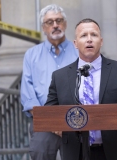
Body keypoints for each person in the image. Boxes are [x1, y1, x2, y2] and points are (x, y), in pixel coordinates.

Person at [44, 18, 117, 160]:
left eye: (94, 35)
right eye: (83, 35)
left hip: (113, 150)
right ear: (75, 43)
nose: (89, 39)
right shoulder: (60, 76)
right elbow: (50, 110)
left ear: (101, 41)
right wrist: (57, 125)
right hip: (75, 151)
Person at [20, 4, 78, 160]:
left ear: (65, 24)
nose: (55, 25)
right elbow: (28, 94)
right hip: (43, 123)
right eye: (49, 22)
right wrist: (52, 122)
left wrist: (68, 121)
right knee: (40, 153)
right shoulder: (31, 55)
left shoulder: (79, 53)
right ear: (43, 28)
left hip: (76, 121)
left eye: (59, 20)